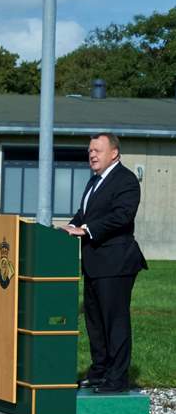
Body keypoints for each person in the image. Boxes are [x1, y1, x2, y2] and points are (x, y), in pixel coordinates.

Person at [61, 132, 147, 393]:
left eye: (98, 150)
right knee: (95, 323)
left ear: (115, 153)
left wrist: (85, 229)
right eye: (90, 150)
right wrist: (71, 226)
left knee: (115, 322)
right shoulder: (94, 182)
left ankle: (117, 379)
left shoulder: (126, 181)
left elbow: (122, 216)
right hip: (94, 264)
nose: (92, 154)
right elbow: (84, 214)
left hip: (116, 263)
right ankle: (100, 371)